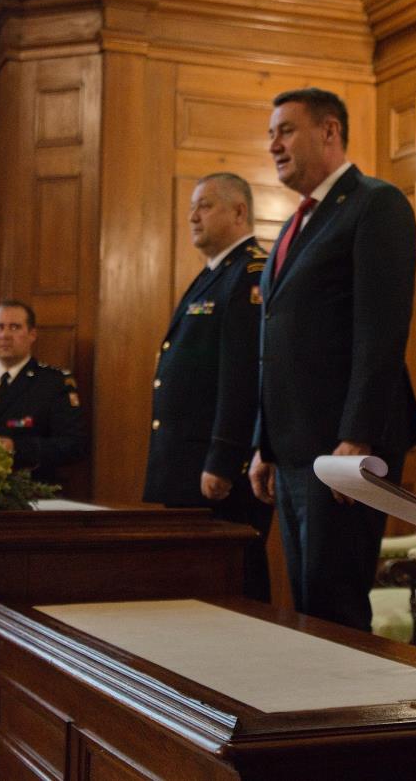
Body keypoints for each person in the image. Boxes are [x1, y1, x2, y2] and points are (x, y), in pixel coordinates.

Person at [248, 87, 416, 631]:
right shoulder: (296, 223)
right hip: (294, 448)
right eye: (271, 134)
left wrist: (357, 437)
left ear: (329, 131)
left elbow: (382, 329)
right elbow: (275, 344)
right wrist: (264, 444)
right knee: (308, 606)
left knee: (336, 609)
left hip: (344, 446)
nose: (273, 145)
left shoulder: (376, 204)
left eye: (286, 130)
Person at [144, 172, 274, 601]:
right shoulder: (213, 275)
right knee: (194, 588)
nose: (193, 217)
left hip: (219, 471)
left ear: (239, 212)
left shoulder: (250, 272)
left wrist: (222, 459)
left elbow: (243, 376)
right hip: (190, 464)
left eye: (205, 205)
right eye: (191, 207)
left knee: (234, 586)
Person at [0, 300, 88, 483]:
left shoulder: (53, 383)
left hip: (27, 490)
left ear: (32, 334)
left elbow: (74, 445)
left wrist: (16, 448)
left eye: (14, 327)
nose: (5, 335)